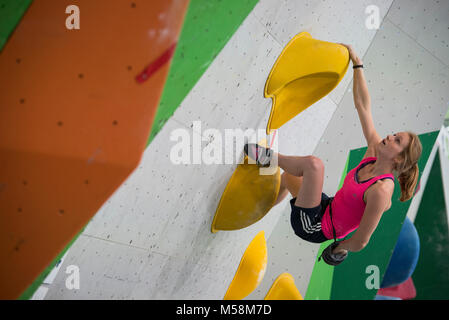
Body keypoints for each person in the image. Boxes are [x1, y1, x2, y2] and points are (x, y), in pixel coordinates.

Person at [244, 43, 422, 264]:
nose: (390, 135)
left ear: (398, 158)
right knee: (289, 178)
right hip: (325, 206)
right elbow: (363, 106)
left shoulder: (381, 190)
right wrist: (358, 64)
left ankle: (261, 156)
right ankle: (255, 209)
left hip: (316, 227)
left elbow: (361, 241)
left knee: (314, 166)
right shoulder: (375, 152)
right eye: (395, 133)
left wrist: (339, 248)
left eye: (397, 140)